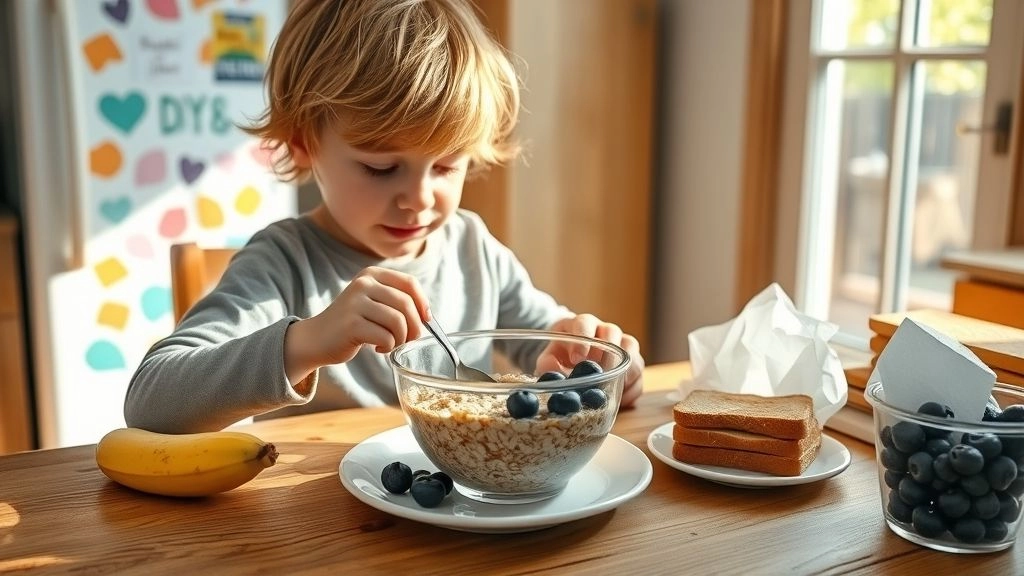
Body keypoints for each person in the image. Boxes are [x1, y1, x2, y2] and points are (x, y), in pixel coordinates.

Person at [124, 0, 645, 433]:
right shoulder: (282, 262)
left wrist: (592, 358)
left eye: (445, 166)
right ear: (304, 144)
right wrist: (307, 341)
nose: (418, 199)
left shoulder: (472, 247)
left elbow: (546, 345)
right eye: (381, 167)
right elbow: (151, 401)